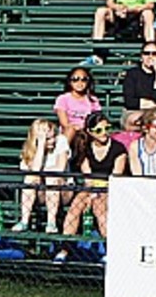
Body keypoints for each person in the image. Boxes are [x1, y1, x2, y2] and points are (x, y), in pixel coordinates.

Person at [53, 112, 127, 263]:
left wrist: (98, 194)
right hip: (91, 186)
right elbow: (88, 178)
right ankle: (64, 248)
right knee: (76, 207)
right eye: (99, 130)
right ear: (90, 132)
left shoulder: (118, 149)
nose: (104, 133)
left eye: (107, 128)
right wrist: (92, 193)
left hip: (111, 187)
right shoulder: (85, 148)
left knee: (100, 208)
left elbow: (116, 176)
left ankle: (110, 249)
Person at [12, 119, 72, 234]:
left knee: (51, 178)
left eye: (53, 136)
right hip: (40, 192)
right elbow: (34, 170)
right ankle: (24, 221)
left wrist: (44, 173)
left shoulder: (61, 141)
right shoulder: (30, 148)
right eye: (47, 139)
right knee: (30, 178)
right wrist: (40, 147)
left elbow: (60, 169)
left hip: (62, 189)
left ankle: (51, 223)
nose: (52, 141)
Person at [119, 41, 156, 111]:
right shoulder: (132, 74)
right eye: (146, 53)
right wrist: (154, 105)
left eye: (154, 54)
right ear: (141, 56)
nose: (150, 57)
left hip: (155, 113)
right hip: (134, 111)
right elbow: (130, 102)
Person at [53, 68, 102, 143]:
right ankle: (62, 152)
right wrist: (77, 128)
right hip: (70, 131)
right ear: (70, 81)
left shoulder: (93, 100)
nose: (79, 82)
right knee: (70, 129)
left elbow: (97, 119)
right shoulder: (63, 99)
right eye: (75, 79)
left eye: (84, 79)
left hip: (88, 131)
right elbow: (64, 123)